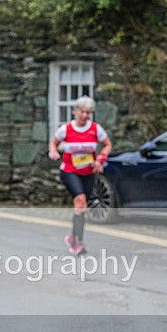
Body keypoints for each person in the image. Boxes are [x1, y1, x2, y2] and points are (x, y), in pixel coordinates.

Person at [48, 96, 112, 255]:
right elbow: (54, 142)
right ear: (75, 111)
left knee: (82, 207)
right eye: (82, 112)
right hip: (70, 171)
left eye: (88, 112)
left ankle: (72, 236)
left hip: (88, 172)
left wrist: (101, 158)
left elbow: (107, 145)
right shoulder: (66, 129)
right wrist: (54, 151)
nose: (85, 115)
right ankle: (78, 242)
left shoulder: (96, 129)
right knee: (80, 201)